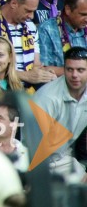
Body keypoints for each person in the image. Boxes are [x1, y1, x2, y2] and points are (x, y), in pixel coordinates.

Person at [29, 46, 87, 178]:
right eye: (69, 69)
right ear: (64, 69)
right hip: (37, 160)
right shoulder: (47, 98)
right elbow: (33, 146)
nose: (74, 75)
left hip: (63, 157)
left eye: (80, 70)